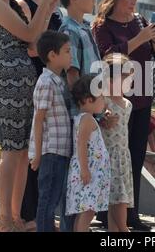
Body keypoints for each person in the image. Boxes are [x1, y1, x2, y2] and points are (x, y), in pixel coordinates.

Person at [0, 0, 56, 232]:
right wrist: (44, 4)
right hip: (9, 87)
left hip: (25, 85)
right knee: (11, 153)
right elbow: (27, 34)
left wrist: (46, 9)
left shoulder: (13, 6)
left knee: (23, 153)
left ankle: (15, 216)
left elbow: (36, 42)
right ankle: (4, 219)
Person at [93, 0, 155, 231]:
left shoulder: (140, 22)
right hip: (115, 100)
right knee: (111, 157)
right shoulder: (102, 25)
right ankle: (105, 214)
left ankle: (129, 215)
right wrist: (139, 38)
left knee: (134, 158)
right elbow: (108, 55)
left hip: (142, 98)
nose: (133, 3)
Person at [57, 0, 117, 231]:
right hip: (79, 116)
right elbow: (73, 77)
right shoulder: (69, 30)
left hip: (90, 114)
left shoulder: (84, 28)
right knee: (79, 191)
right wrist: (94, 112)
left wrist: (100, 113)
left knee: (85, 194)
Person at [15, 0, 62, 229]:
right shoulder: (23, 4)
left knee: (48, 149)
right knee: (33, 148)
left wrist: (51, 7)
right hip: (33, 80)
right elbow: (36, 46)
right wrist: (45, 7)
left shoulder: (52, 8)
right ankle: (28, 214)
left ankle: (42, 213)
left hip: (53, 82)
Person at [28, 31, 72, 232]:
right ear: (53, 55)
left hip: (60, 151)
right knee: (47, 200)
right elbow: (38, 119)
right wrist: (37, 154)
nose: (70, 55)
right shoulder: (46, 82)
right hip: (50, 152)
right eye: (67, 51)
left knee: (52, 199)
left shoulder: (58, 80)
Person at [65, 75, 111, 232]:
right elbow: (81, 145)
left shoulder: (87, 119)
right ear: (88, 99)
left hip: (91, 173)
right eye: (101, 97)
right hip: (88, 173)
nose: (104, 100)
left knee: (86, 211)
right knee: (88, 211)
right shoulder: (87, 120)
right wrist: (85, 169)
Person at [101, 53, 134, 232]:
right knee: (117, 199)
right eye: (125, 78)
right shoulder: (103, 102)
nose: (129, 83)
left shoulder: (127, 104)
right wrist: (102, 117)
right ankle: (124, 229)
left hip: (123, 156)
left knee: (120, 199)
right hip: (108, 156)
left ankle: (117, 231)